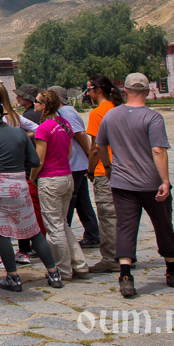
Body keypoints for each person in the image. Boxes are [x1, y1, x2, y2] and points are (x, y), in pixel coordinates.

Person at [96, 72, 174, 299]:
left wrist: (108, 167)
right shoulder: (153, 117)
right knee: (162, 224)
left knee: (125, 226)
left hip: (122, 182)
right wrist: (165, 181)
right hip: (150, 182)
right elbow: (158, 150)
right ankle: (173, 270)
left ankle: (125, 276)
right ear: (148, 91)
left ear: (125, 90)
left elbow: (100, 145)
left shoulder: (111, 115)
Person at [0, 100, 63, 291]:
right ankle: (54, 273)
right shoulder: (19, 133)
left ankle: (13, 277)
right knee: (33, 230)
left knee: (2, 232)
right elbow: (34, 160)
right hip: (18, 184)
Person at [31, 89, 90, 281]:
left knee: (54, 226)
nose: (34, 104)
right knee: (62, 223)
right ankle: (79, 264)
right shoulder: (64, 124)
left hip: (50, 178)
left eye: (37, 101)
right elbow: (69, 152)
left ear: (44, 106)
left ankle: (62, 269)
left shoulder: (44, 128)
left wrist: (32, 177)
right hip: (66, 175)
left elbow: (39, 159)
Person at [47, 86, 101, 250]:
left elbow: (80, 134)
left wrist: (89, 154)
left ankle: (65, 235)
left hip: (75, 163)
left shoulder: (66, 112)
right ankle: (92, 234)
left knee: (69, 201)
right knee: (82, 201)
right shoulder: (65, 111)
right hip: (78, 163)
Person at [85, 75, 121, 274]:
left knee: (108, 217)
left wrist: (90, 170)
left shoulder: (98, 113)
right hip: (123, 168)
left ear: (98, 90)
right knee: (123, 216)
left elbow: (95, 148)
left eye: (89, 90)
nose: (88, 94)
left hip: (104, 169)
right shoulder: (119, 109)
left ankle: (111, 258)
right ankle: (126, 255)